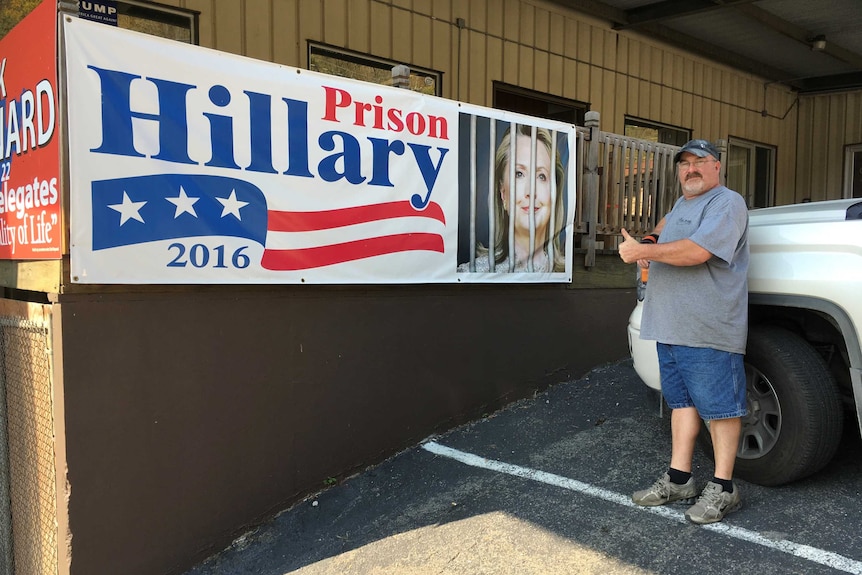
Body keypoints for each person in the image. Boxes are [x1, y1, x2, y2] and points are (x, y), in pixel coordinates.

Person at [618, 139, 750, 525]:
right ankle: (680, 479)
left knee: (722, 410)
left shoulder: (727, 203)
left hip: (707, 326)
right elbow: (664, 229)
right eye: (684, 164)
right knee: (681, 404)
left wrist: (644, 253)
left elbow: (698, 252)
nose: (690, 169)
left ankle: (724, 487)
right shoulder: (682, 204)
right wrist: (649, 241)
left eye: (699, 162)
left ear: (717, 167)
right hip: (671, 324)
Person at [458, 124, 566, 273]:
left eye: (541, 176)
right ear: (503, 193)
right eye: (519, 174)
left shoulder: (567, 272)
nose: (531, 191)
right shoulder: (471, 272)